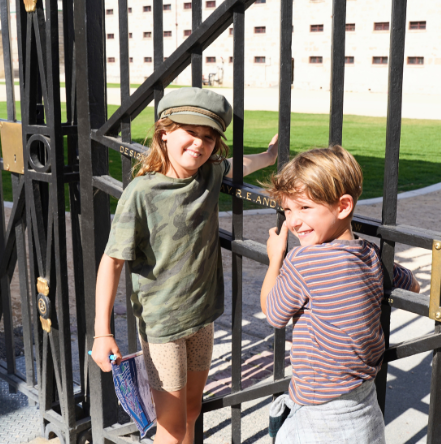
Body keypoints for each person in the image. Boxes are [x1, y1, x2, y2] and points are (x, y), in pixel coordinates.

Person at [91, 87, 278, 444]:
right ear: (164, 132)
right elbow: (112, 261)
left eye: (208, 137)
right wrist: (103, 333)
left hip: (202, 318)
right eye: (191, 132)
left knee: (191, 412)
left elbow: (239, 165)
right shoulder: (142, 193)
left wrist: (269, 156)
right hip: (162, 326)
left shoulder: (209, 175)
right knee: (171, 427)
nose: (199, 143)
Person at [260, 145, 420, 444]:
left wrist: (275, 260)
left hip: (318, 407)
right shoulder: (370, 253)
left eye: (305, 207)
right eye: (287, 209)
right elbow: (411, 283)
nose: (293, 221)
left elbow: (273, 313)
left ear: (344, 206)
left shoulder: (303, 262)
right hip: (363, 397)